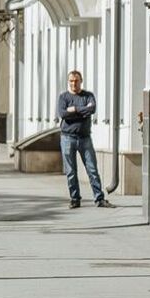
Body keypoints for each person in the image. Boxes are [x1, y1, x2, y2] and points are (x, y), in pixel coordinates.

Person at [55, 69, 111, 209]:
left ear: (81, 81)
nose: (74, 83)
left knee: (92, 169)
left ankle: (99, 199)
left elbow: (91, 109)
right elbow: (62, 113)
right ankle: (75, 199)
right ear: (69, 82)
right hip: (67, 138)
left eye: (76, 81)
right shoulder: (64, 97)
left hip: (85, 138)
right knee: (71, 171)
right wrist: (81, 111)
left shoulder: (88, 95)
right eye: (71, 81)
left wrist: (74, 109)